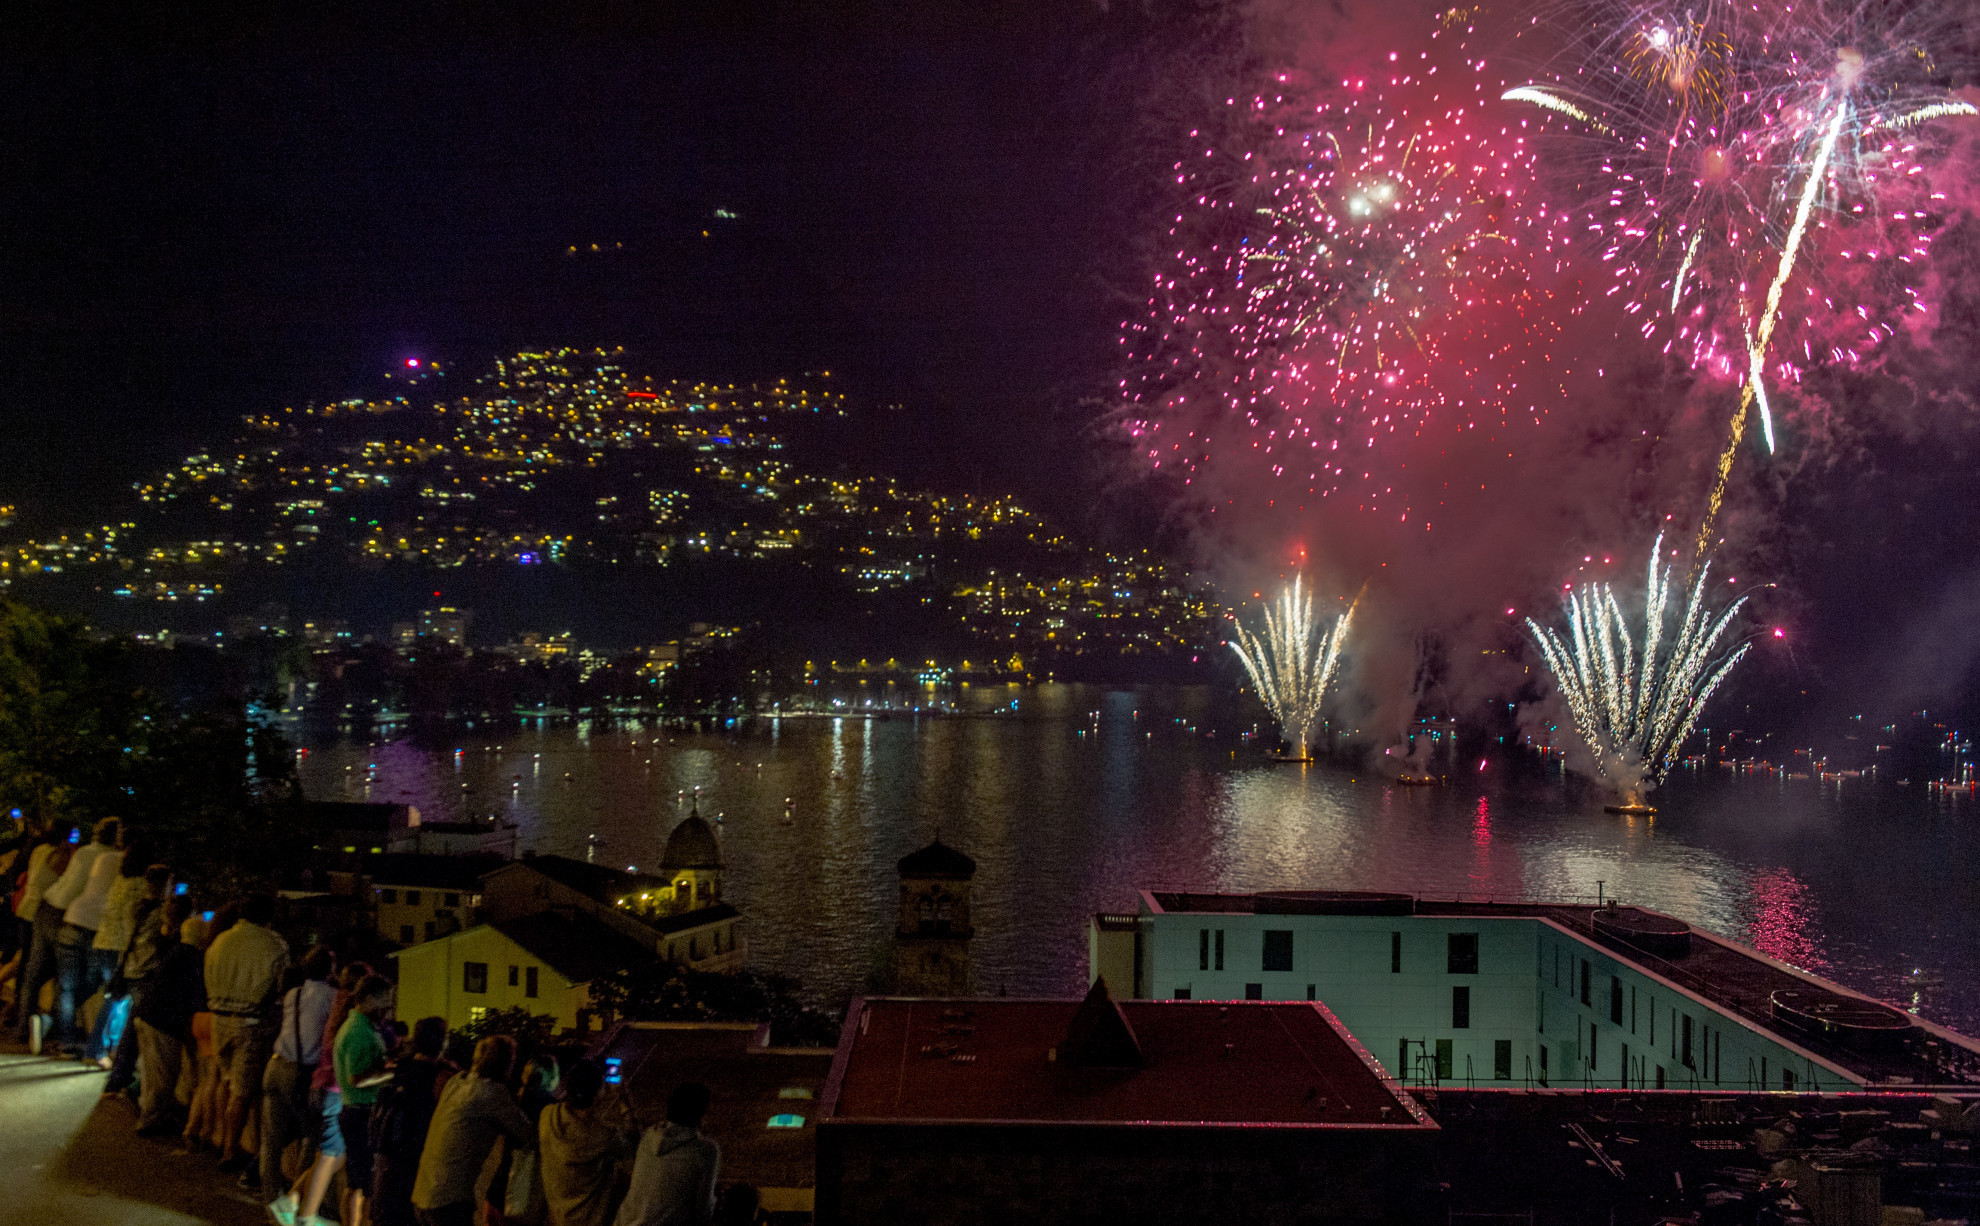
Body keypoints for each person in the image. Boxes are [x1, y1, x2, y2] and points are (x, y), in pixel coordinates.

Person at [204, 892, 290, 1183]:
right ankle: (230, 1151)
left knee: (226, 1081)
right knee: (242, 1092)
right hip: (250, 1023)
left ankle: (215, 1137)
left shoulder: (220, 940)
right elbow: (281, 988)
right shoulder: (274, 944)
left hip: (217, 1018)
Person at [412, 1035, 536, 1226]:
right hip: (449, 1200)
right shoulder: (491, 1093)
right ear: (505, 1064)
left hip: (423, 1192)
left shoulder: (456, 1083)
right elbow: (528, 1134)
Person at [260, 945, 336, 1213]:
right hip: (301, 1073)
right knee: (312, 1135)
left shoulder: (294, 993)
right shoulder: (332, 997)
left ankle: (272, 1201)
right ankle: (297, 1196)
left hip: (276, 1065)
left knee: (271, 1140)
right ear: (330, 970)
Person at [369, 1016, 457, 1226]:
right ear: (442, 1042)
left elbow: (370, 1083)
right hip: (419, 1155)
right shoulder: (444, 1076)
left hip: (388, 1152)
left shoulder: (398, 1068)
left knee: (386, 1215)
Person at [44, 818, 120, 1057]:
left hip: (74, 920)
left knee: (66, 987)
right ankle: (59, 1025)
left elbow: (71, 886)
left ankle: (66, 1040)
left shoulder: (88, 854)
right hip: (99, 931)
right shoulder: (120, 861)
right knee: (93, 981)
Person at [132, 898, 205, 1136]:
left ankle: (150, 1113)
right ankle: (149, 1120)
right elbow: (192, 997)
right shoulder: (192, 959)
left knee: (152, 1075)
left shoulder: (175, 952)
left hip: (148, 1015)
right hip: (162, 1022)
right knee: (164, 1078)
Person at [538, 1059, 638, 1226]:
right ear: (598, 1093)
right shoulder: (605, 1136)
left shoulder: (547, 1116)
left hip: (557, 1217)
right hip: (591, 1220)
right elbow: (634, 1145)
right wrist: (623, 1100)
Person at [91, 841, 162, 1075]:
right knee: (118, 1000)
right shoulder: (141, 888)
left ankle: (100, 1048)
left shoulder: (120, 881)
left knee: (112, 997)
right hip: (121, 949)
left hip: (104, 942)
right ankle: (105, 1050)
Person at [332, 974, 396, 1226]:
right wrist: (391, 1073)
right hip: (361, 1112)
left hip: (356, 1111)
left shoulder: (360, 1027)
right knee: (365, 1182)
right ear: (368, 999)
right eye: (385, 1002)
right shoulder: (359, 1031)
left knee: (357, 1180)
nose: (387, 1010)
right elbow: (357, 1078)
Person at [613, 1083, 718, 1226]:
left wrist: (624, 1102)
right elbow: (703, 1210)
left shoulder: (649, 1136)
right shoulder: (705, 1150)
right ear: (701, 1114)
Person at [12, 831, 72, 1045]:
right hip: (48, 911)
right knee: (59, 973)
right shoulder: (60, 855)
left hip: (30, 910)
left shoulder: (38, 850)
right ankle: (50, 1024)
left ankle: (20, 1022)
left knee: (29, 970)